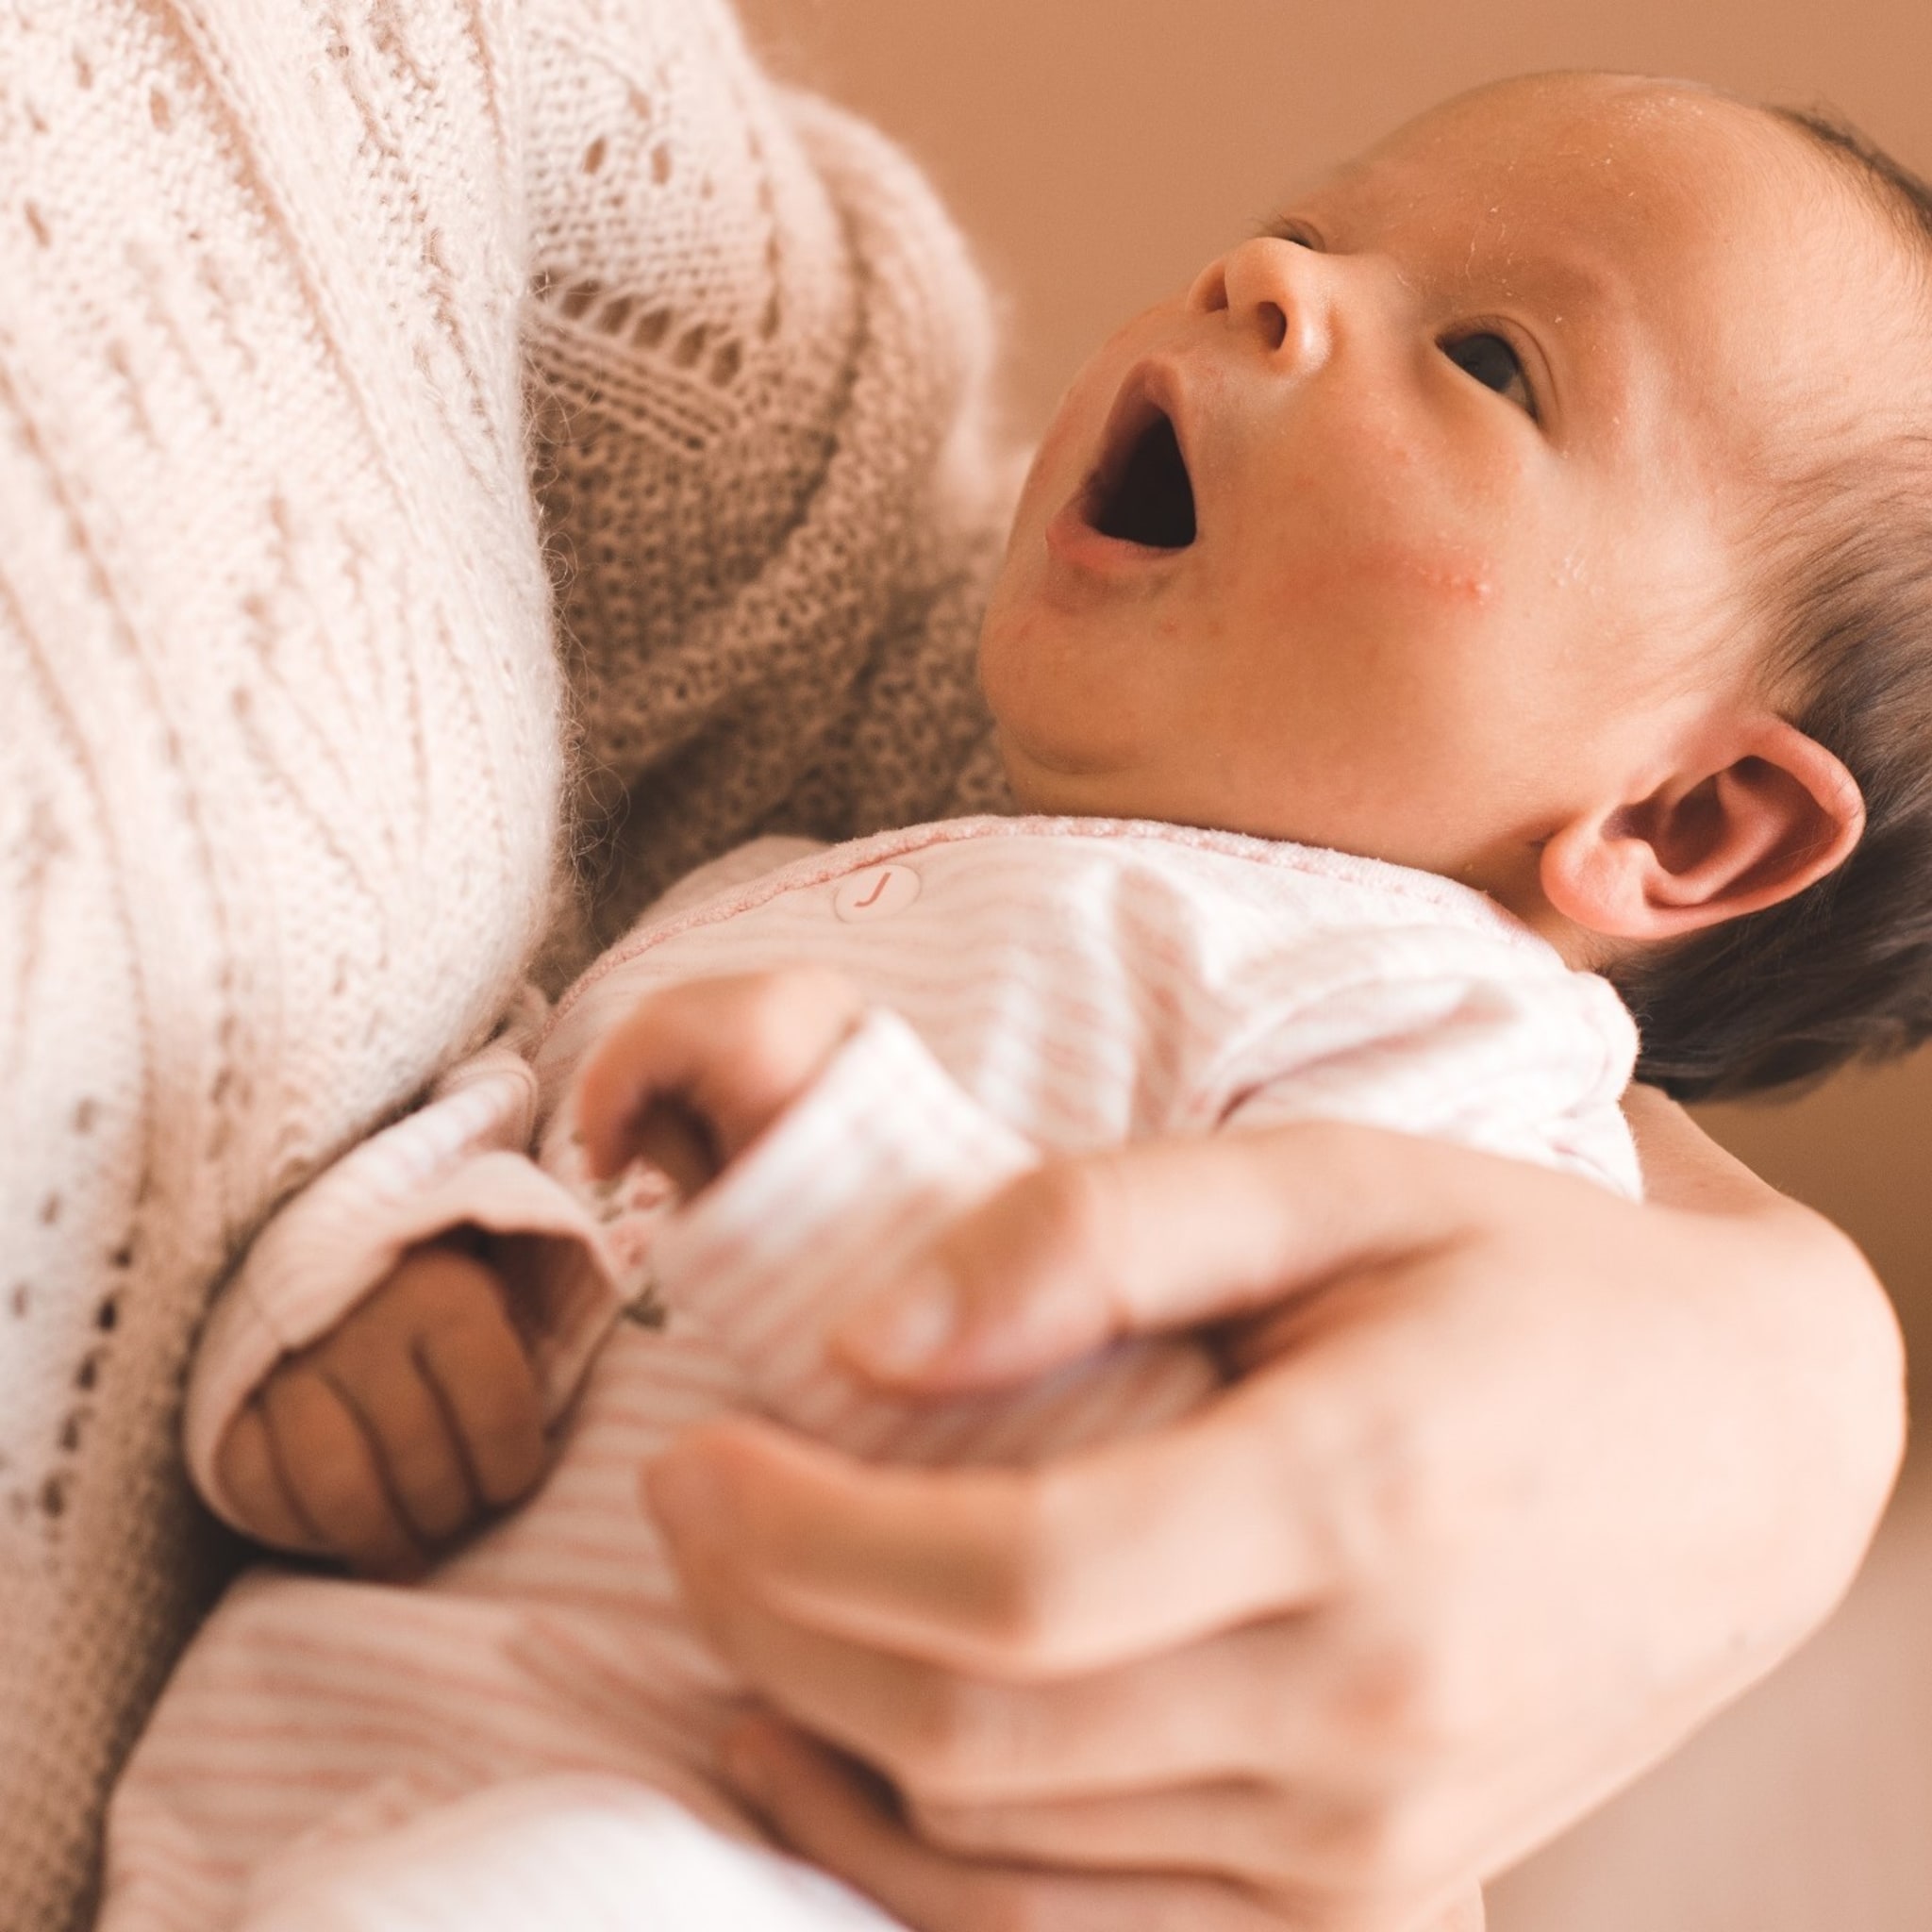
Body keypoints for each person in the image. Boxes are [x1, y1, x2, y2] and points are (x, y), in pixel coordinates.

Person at [92, 68, 1929, 1932]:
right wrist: (412, 1273)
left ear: (1685, 820)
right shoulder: (778, 885)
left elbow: (1205, 1512)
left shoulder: (1442, 1055)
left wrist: (821, 1176)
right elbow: (516, 1110)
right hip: (283, 1814)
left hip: (774, 1854)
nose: (1263, 283)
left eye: (1488, 361)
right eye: (1307, 234)